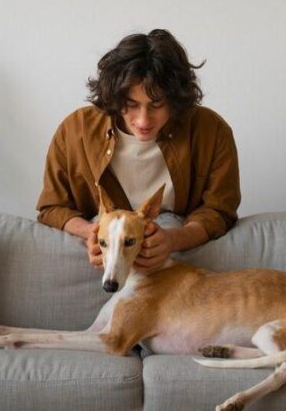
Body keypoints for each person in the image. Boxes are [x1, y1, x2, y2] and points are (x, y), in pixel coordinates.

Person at [36, 29, 241, 273]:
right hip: (102, 268)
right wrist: (96, 233)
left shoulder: (212, 131)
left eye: (157, 105)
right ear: (115, 96)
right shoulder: (75, 131)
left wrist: (173, 240)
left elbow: (220, 210)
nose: (143, 120)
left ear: (175, 100)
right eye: (131, 105)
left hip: (180, 269)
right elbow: (52, 208)